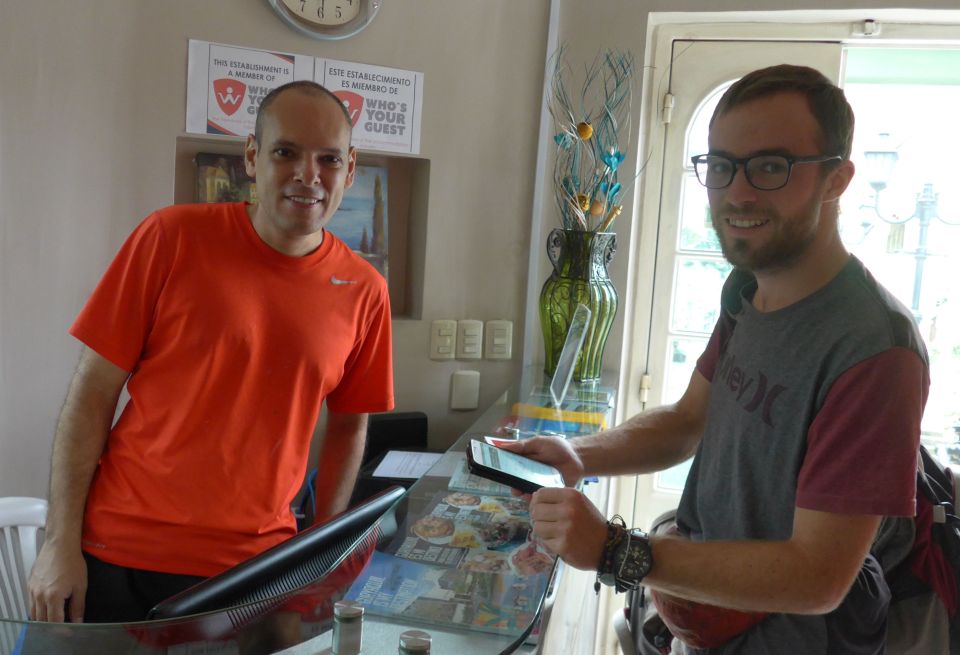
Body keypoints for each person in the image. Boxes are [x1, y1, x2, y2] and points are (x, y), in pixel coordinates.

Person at [505, 65, 928, 653]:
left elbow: (818, 577)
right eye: (722, 165)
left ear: (837, 179)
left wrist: (617, 551)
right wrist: (579, 454)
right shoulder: (747, 290)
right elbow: (687, 421)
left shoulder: (876, 349)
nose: (737, 192)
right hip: (704, 623)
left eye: (771, 166)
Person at [28, 80, 394, 623]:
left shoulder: (365, 290)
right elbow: (92, 394)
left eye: (329, 159)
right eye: (285, 152)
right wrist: (60, 543)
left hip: (254, 571)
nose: (308, 175)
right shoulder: (169, 237)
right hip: (117, 555)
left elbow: (349, 425)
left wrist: (320, 555)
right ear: (251, 156)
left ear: (350, 167)